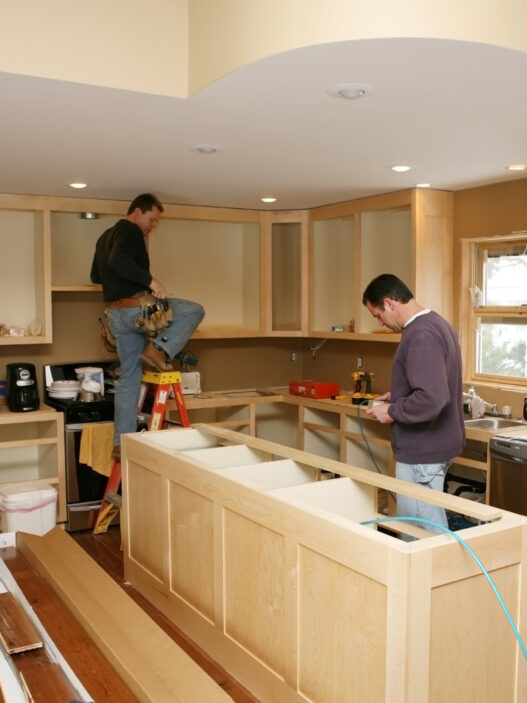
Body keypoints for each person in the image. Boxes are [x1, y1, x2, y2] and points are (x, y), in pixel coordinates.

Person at [90, 193, 205, 457]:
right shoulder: (130, 232)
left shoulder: (104, 237)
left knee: (129, 378)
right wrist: (151, 282)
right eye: (152, 219)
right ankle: (159, 350)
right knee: (194, 310)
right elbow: (118, 261)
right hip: (137, 311)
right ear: (137, 213)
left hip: (115, 317)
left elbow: (96, 275)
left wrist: (118, 282)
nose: (153, 226)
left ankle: (121, 442)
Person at [362, 273, 465, 532]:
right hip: (434, 445)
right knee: (427, 526)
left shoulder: (420, 334)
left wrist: (393, 411)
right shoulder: (436, 323)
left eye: (377, 315)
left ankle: (441, 574)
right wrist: (396, 395)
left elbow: (433, 397)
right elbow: (430, 384)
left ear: (389, 303)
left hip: (422, 452)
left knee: (420, 534)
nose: (381, 322)